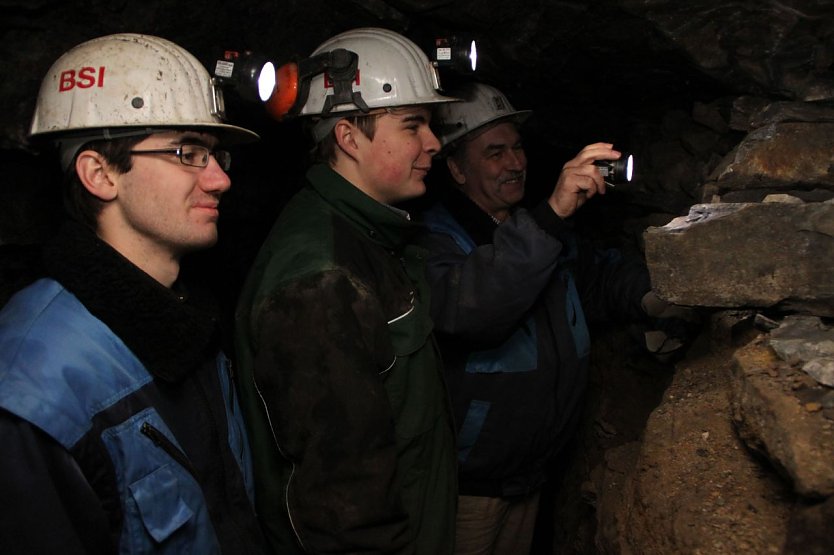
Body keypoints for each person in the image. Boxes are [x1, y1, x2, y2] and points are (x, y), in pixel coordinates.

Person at [0, 33, 268, 554]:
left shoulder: (189, 322)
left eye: (214, 154)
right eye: (188, 151)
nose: (219, 180)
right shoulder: (33, 386)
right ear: (101, 174)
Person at [419, 81, 691, 554]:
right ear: (458, 169)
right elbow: (476, 308)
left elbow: (596, 276)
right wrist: (552, 214)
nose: (516, 163)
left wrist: (653, 299)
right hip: (465, 487)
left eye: (518, 148)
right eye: (496, 153)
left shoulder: (536, 233)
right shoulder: (432, 241)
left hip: (532, 474)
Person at [234, 27, 458, 555]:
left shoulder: (372, 237)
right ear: (348, 137)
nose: (434, 143)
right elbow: (342, 513)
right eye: (413, 125)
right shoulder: (322, 278)